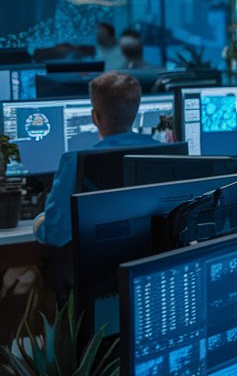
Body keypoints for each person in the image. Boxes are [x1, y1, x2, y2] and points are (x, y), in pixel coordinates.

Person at [34, 71, 158, 248]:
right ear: (136, 113)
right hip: (149, 264)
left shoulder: (74, 162)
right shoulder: (165, 152)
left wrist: (39, 222)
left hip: (95, 271)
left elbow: (56, 235)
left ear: (95, 117)